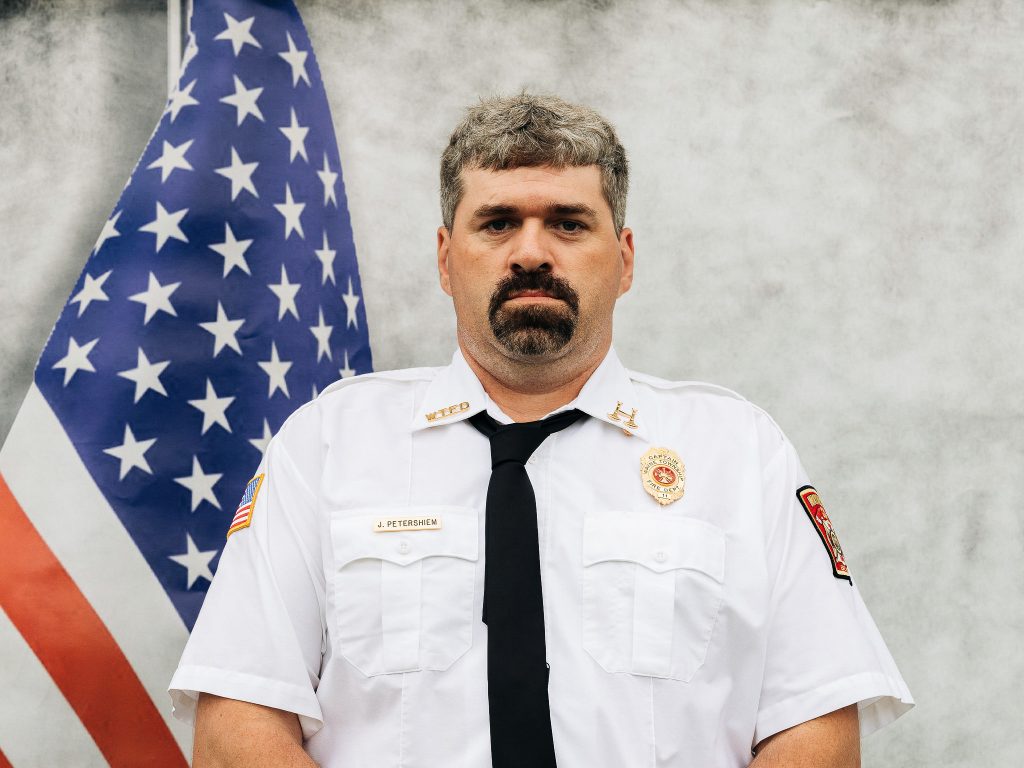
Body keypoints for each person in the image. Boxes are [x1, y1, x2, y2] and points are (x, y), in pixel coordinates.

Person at [170, 93, 913, 767]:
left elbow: (814, 724)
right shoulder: (328, 447)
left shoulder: (739, 453)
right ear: (443, 258)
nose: (531, 251)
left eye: (567, 222)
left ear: (623, 261)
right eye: (497, 223)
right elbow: (239, 718)